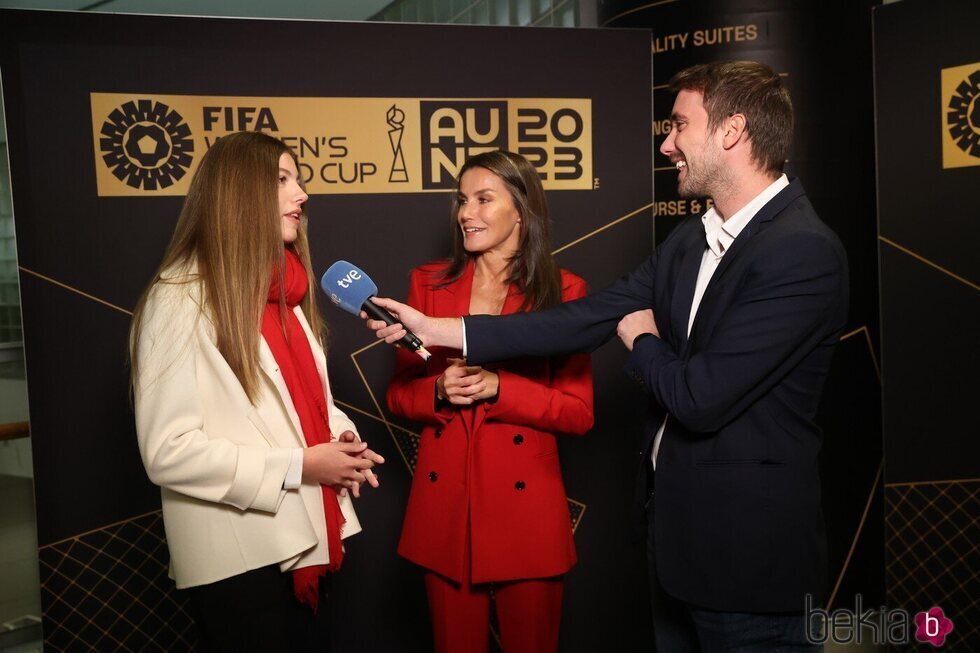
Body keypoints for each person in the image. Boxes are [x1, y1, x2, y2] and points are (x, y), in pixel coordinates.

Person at [366, 61, 848, 651]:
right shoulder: (691, 239)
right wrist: (444, 330)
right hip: (676, 551)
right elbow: (587, 317)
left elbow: (700, 398)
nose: (667, 143)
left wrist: (641, 340)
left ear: (732, 131)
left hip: (749, 559)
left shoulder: (801, 250)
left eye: (678, 126)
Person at [130, 131, 384, 652]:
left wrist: (342, 441)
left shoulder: (285, 294)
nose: (302, 195)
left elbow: (304, 405)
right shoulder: (179, 298)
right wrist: (301, 466)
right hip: (240, 560)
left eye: (298, 179)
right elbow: (167, 451)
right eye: (283, 180)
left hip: (312, 536)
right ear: (240, 193)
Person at [386, 151, 593, 652]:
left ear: (520, 209)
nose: (465, 213)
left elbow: (579, 413)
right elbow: (397, 395)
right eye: (462, 200)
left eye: (483, 199)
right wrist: (437, 390)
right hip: (447, 515)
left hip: (528, 516)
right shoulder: (429, 284)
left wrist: (503, 388)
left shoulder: (564, 290)